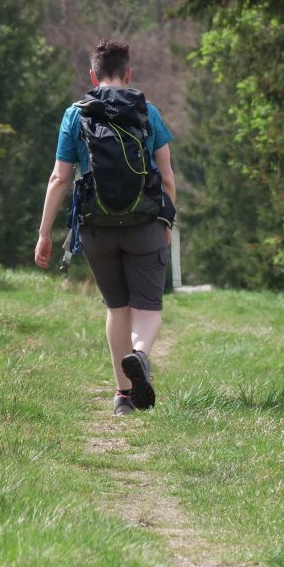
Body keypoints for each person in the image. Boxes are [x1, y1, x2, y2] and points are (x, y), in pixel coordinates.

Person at [34, 39, 177, 415]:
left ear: (93, 75)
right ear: (128, 74)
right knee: (147, 308)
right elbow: (167, 178)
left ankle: (123, 397)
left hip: (96, 227)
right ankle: (141, 356)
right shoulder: (148, 112)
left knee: (117, 307)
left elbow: (59, 179)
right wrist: (167, 220)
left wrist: (45, 233)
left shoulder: (75, 115)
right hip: (144, 223)